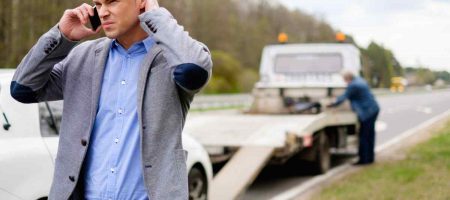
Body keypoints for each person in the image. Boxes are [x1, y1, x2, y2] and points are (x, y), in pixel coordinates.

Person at [10, 0, 212, 199]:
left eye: (112, 2)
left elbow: (195, 70)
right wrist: (60, 36)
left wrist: (156, 16)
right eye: (98, 4)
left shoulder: (173, 58)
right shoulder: (82, 57)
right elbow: (22, 88)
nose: (103, 12)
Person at [328, 71, 379, 165]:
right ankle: (370, 158)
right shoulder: (360, 80)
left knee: (363, 136)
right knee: (369, 136)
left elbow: (344, 97)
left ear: (348, 78)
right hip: (373, 109)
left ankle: (364, 160)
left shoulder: (353, 85)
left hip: (367, 112)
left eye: (344, 80)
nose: (345, 82)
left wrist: (331, 104)